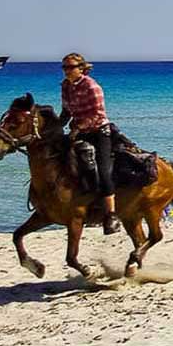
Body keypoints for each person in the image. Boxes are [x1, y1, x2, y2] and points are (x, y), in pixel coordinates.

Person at [59, 52, 120, 235]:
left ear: (81, 68)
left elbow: (97, 114)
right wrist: (54, 127)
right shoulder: (65, 86)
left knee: (103, 170)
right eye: (64, 67)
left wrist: (78, 129)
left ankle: (111, 215)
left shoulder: (92, 86)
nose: (66, 71)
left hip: (99, 132)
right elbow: (66, 112)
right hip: (79, 131)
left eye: (70, 67)